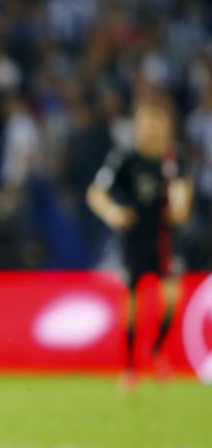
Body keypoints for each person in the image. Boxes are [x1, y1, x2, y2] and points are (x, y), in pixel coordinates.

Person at [87, 95, 192, 389]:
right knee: (131, 300)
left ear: (166, 126)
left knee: (172, 296)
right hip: (134, 236)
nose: (151, 127)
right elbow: (96, 192)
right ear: (137, 125)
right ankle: (130, 365)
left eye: (156, 122)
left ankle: (157, 350)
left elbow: (183, 193)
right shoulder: (125, 158)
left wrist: (181, 204)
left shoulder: (172, 161)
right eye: (146, 121)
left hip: (163, 238)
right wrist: (113, 212)